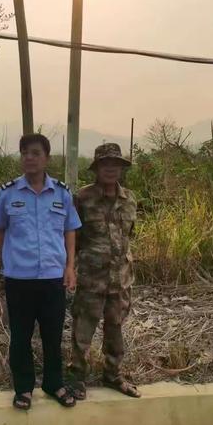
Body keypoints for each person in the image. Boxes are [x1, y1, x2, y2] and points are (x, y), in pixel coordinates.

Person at [0, 133, 81, 410]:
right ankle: (24, 389)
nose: (29, 158)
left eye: (36, 153)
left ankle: (54, 384)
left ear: (47, 158)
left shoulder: (62, 193)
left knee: (53, 336)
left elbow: (70, 230)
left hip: (53, 277)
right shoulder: (7, 193)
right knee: (20, 337)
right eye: (25, 153)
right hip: (20, 279)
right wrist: (12, 254)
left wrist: (69, 267)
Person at [67, 143, 140, 400]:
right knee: (82, 330)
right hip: (91, 278)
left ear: (121, 168)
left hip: (120, 279)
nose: (111, 168)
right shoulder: (82, 198)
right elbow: (72, 238)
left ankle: (113, 375)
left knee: (116, 329)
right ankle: (77, 378)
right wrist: (70, 270)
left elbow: (129, 236)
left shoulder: (130, 199)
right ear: (96, 168)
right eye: (105, 164)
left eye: (115, 164)